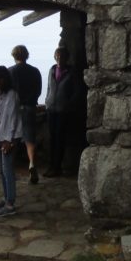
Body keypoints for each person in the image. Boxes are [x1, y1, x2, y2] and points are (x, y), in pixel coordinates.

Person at [0, 65, 22, 217]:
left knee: (8, 170)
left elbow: (12, 119)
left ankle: (10, 203)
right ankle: (6, 197)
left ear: (6, 79)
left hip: (7, 138)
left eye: (1, 78)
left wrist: (9, 140)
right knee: (2, 170)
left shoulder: (12, 95)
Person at [8, 45, 42, 185]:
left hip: (15, 109)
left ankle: (10, 168)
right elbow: (38, 90)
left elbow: (7, 92)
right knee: (30, 138)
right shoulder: (35, 71)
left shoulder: (10, 71)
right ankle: (32, 163)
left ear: (14, 56)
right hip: (29, 107)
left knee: (12, 138)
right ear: (26, 55)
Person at [43, 46, 76, 178]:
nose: (59, 58)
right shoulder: (52, 69)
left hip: (63, 111)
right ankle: (51, 166)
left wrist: (68, 104)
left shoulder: (71, 72)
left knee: (59, 139)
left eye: (61, 56)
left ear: (66, 58)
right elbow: (49, 88)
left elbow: (76, 91)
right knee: (52, 138)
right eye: (57, 55)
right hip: (51, 109)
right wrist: (47, 101)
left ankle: (57, 167)